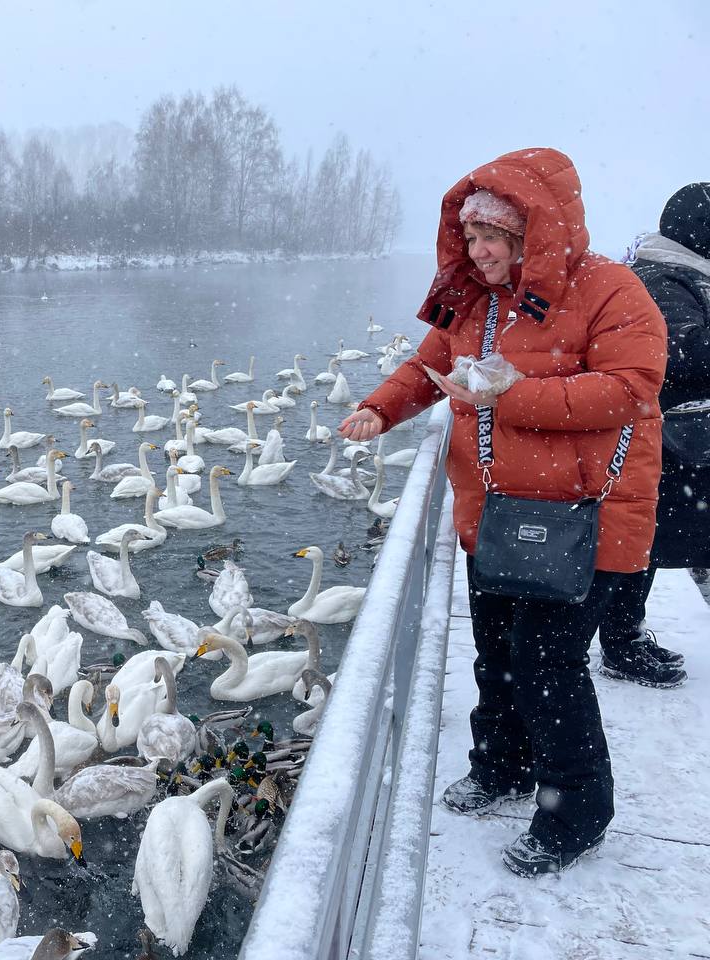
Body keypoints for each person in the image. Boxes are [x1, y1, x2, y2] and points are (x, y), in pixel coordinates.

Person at [340, 148, 667, 878]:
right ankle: (501, 767)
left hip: (587, 518)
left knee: (547, 663)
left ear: (534, 232)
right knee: (497, 654)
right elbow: (428, 366)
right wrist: (378, 408)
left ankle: (574, 813)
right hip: (495, 514)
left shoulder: (611, 291)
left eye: (493, 237)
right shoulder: (471, 298)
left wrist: (507, 397)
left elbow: (632, 387)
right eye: (471, 235)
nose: (478, 250)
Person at [597, 184, 710, 687]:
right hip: (667, 441)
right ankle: (623, 644)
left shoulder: (684, 274)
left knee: (648, 540)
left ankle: (625, 639)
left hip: (678, 440)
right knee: (639, 543)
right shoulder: (665, 279)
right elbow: (682, 357)